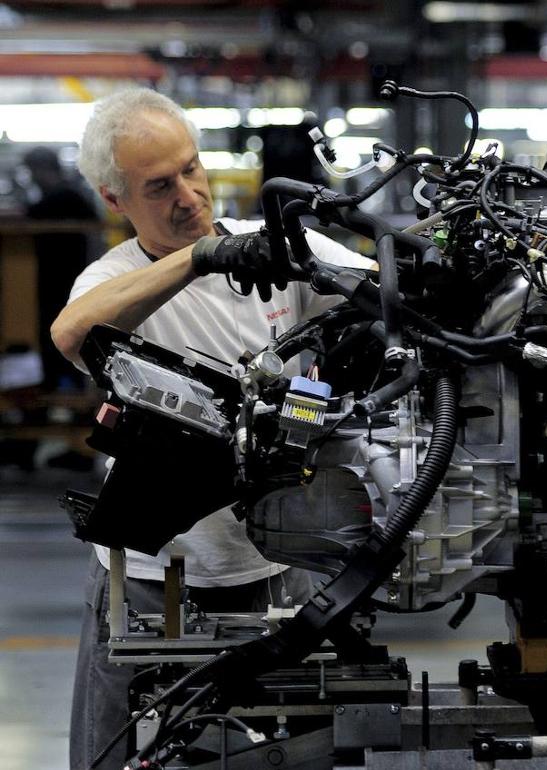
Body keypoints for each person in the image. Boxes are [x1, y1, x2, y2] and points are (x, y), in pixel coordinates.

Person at [51, 88, 369, 770]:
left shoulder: (279, 252)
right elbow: (70, 332)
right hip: (151, 579)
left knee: (299, 745)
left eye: (192, 169)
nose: (190, 196)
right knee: (110, 754)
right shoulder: (110, 281)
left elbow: (393, 295)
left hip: (278, 566)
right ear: (116, 200)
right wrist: (202, 259)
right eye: (160, 185)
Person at [23, 145, 99, 393]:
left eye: (34, 171)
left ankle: (64, 396)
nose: (32, 178)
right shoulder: (72, 195)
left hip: (62, 281)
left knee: (62, 338)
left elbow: (33, 215)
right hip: (64, 279)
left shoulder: (63, 196)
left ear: (44, 169)